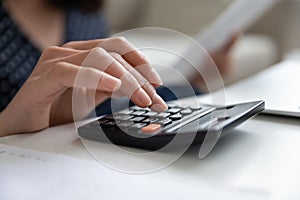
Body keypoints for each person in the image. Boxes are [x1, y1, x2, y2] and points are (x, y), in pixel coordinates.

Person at [0, 0, 237, 137]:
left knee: (180, 98)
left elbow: (102, 92)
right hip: (22, 152)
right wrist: (7, 129)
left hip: (84, 129)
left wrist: (196, 78)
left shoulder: (83, 11)